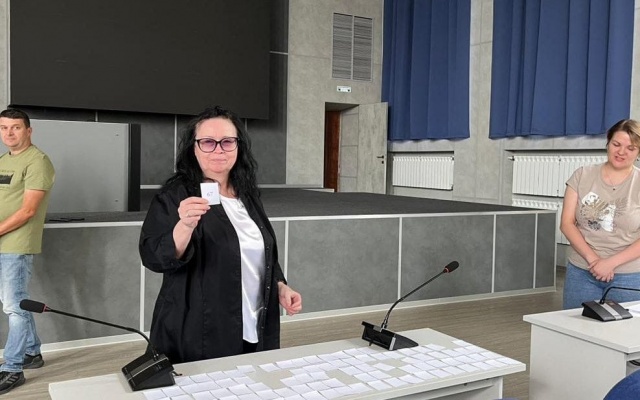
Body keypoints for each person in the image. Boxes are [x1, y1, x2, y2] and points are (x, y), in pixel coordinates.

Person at [139, 106, 302, 364]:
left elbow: (258, 251)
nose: (218, 150)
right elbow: (153, 257)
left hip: (254, 323)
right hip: (199, 330)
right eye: (208, 142)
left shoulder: (247, 194)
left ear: (238, 146)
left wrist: (280, 285)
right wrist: (185, 225)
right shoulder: (175, 195)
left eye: (227, 141)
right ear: (194, 148)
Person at [0, 109, 55, 395]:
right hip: (2, 242)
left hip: (17, 244)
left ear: (29, 130)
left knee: (13, 306)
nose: (9, 133)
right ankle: (32, 353)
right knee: (16, 302)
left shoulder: (37, 161)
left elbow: (28, 210)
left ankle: (13, 368)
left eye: (16, 127)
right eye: (4, 127)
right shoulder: (3, 161)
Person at [561, 119, 640, 310]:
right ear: (608, 143)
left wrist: (610, 263)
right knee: (573, 325)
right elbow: (567, 223)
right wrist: (594, 260)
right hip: (582, 271)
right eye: (616, 144)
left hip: (628, 276)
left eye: (631, 148)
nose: (621, 152)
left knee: (623, 329)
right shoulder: (582, 175)